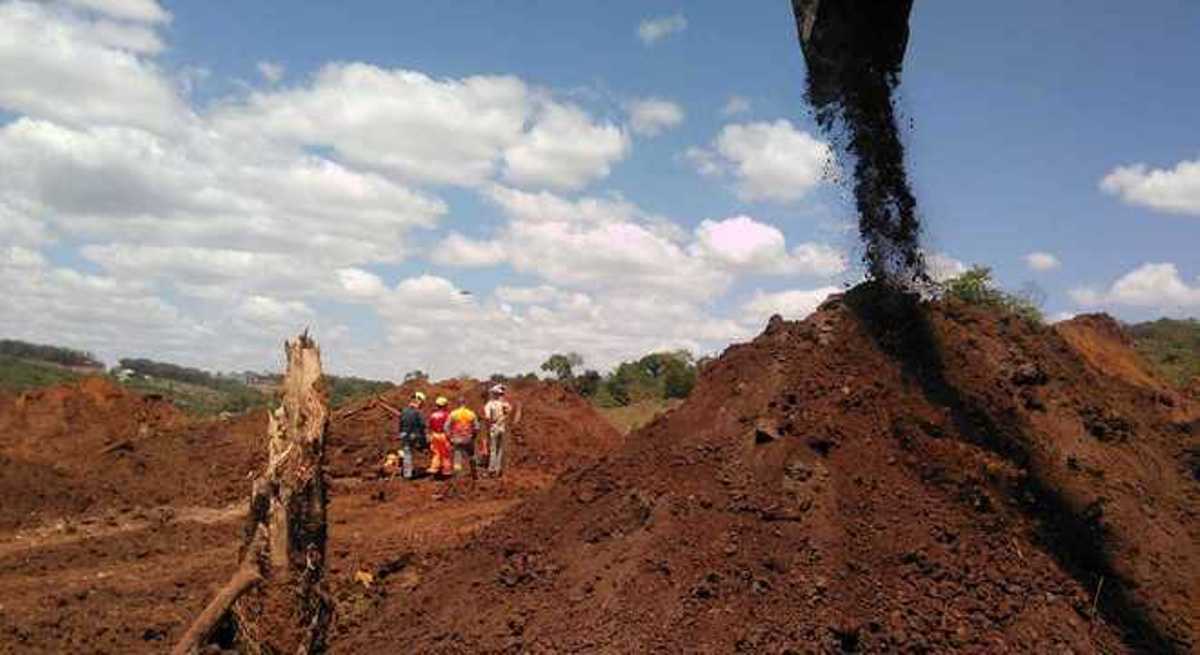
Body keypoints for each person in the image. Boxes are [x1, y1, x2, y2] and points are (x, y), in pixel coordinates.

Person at [374, 391, 427, 480]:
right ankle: (405, 474)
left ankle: (390, 464)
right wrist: (423, 441)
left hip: (404, 435)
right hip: (413, 436)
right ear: (419, 401)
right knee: (408, 454)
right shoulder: (417, 412)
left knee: (405, 452)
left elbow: (401, 424)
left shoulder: (404, 411)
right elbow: (422, 426)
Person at [483, 384, 515, 477]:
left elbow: (487, 417)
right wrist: (504, 416)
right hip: (502, 428)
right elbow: (509, 410)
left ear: (493, 394)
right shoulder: (503, 404)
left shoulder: (489, 404)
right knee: (499, 449)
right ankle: (498, 469)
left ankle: (491, 470)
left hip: (494, 427)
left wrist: (489, 426)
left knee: (493, 449)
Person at [446, 396, 480, 479]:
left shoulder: (453, 414)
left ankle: (458, 476)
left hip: (457, 439)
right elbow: (477, 427)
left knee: (457, 457)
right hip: (468, 438)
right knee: (472, 455)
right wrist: (474, 436)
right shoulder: (471, 413)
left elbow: (446, 427)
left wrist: (449, 437)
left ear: (458, 403)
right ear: (465, 403)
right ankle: (474, 474)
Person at [426, 396, 453, 478]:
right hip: (443, 435)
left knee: (436, 453)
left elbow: (429, 426)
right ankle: (446, 470)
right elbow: (449, 426)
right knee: (446, 453)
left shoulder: (432, 415)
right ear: (445, 405)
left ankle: (434, 468)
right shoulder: (447, 415)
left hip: (434, 435)